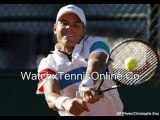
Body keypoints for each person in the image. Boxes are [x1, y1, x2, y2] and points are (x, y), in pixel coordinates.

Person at [36, 4, 123, 116]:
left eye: (76, 25)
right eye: (64, 23)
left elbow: (97, 61)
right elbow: (51, 96)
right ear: (55, 28)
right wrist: (66, 102)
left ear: (83, 30)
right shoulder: (47, 63)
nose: (69, 27)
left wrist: (87, 84)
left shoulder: (97, 43)